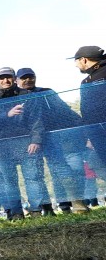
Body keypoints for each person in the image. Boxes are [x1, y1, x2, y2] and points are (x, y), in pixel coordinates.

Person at [16, 67, 89, 214]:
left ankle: (69, 205)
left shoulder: (46, 92)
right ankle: (46, 208)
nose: (28, 80)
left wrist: (83, 128)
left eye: (31, 76)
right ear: (17, 80)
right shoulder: (14, 96)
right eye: (24, 78)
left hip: (55, 138)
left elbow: (64, 110)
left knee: (63, 170)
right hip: (29, 141)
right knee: (37, 176)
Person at [0, 67, 46, 220]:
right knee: (9, 181)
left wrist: (36, 140)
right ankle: (16, 213)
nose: (5, 80)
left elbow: (36, 120)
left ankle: (36, 211)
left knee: (33, 178)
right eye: (1, 78)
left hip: (27, 143)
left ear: (14, 78)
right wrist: (7, 115)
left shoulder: (28, 96)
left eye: (9, 77)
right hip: (1, 146)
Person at [72, 45, 106, 165]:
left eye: (76, 61)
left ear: (83, 60)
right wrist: (90, 135)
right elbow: (86, 110)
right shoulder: (85, 81)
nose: (76, 65)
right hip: (97, 134)